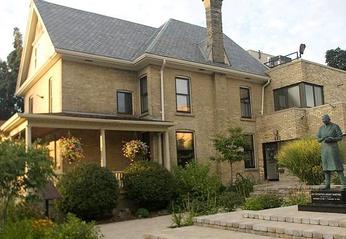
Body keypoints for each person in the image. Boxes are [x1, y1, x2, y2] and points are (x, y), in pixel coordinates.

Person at [317, 114, 346, 190]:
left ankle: (344, 185)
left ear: (329, 119)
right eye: (323, 120)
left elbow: (340, 137)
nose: (324, 121)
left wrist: (332, 139)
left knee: (338, 167)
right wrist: (323, 138)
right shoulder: (321, 128)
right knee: (326, 168)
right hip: (324, 150)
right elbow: (318, 139)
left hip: (333, 149)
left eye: (325, 120)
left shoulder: (335, 126)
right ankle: (327, 185)